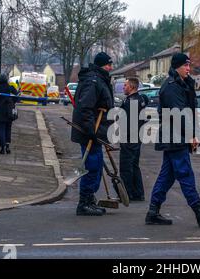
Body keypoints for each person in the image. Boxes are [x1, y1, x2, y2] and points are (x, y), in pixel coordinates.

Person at [145, 53, 200, 227]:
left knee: (167, 176)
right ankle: (199, 212)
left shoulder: (181, 84)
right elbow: (180, 114)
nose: (188, 69)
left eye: (189, 65)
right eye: (185, 66)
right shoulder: (172, 87)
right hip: (175, 137)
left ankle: (153, 211)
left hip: (175, 137)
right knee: (185, 173)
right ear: (176, 67)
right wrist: (191, 136)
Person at [71, 52, 114, 216]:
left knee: (95, 166)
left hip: (96, 131)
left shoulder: (99, 79)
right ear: (102, 65)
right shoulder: (93, 81)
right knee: (91, 166)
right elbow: (85, 108)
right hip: (90, 132)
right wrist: (92, 131)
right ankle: (84, 203)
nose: (111, 68)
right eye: (108, 65)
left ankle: (89, 199)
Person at [119, 77, 148, 201]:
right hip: (137, 137)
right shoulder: (141, 99)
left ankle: (127, 194)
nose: (123, 87)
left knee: (126, 166)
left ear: (131, 87)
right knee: (134, 165)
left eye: (125, 85)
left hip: (130, 138)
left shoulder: (130, 102)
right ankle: (138, 193)